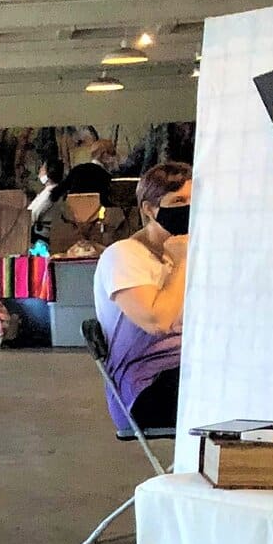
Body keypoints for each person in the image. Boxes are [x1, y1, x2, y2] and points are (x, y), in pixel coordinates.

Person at [92, 161, 191, 429]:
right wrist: (182, 262)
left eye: (194, 200)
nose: (188, 209)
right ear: (149, 209)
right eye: (178, 200)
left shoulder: (192, 250)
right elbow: (157, 321)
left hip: (189, 372)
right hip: (146, 387)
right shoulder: (123, 255)